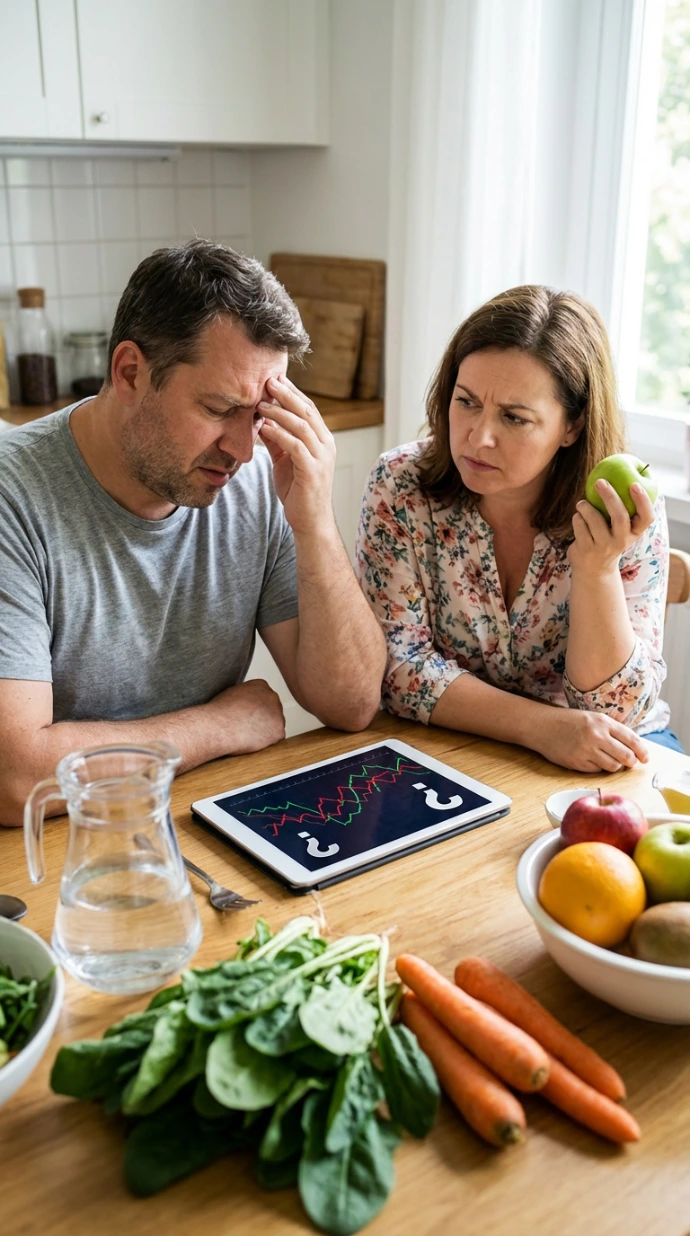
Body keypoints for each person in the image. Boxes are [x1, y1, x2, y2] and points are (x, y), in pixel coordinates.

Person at [0, 240, 386, 826]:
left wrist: (314, 523)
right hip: (60, 851)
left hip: (208, 822)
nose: (243, 448)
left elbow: (353, 704)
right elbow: (16, 778)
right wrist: (220, 725)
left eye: (257, 414)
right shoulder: (14, 498)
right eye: (216, 408)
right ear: (130, 372)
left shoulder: (256, 476)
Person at [356, 284, 676, 774]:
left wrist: (597, 568)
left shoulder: (623, 510)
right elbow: (397, 668)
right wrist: (540, 726)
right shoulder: (401, 486)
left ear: (572, 425)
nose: (479, 437)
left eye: (514, 417)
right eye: (465, 402)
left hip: (609, 760)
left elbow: (615, 715)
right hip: (457, 747)